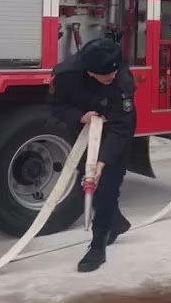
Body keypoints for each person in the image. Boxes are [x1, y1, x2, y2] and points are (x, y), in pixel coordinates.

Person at [48, 38, 136, 273]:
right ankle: (115, 223)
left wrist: (102, 162)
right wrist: (80, 116)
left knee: (105, 185)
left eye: (115, 71)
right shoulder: (66, 77)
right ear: (90, 71)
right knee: (89, 184)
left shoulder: (122, 80)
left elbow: (121, 127)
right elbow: (56, 107)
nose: (113, 76)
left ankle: (98, 246)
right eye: (107, 74)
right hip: (86, 130)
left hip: (115, 133)